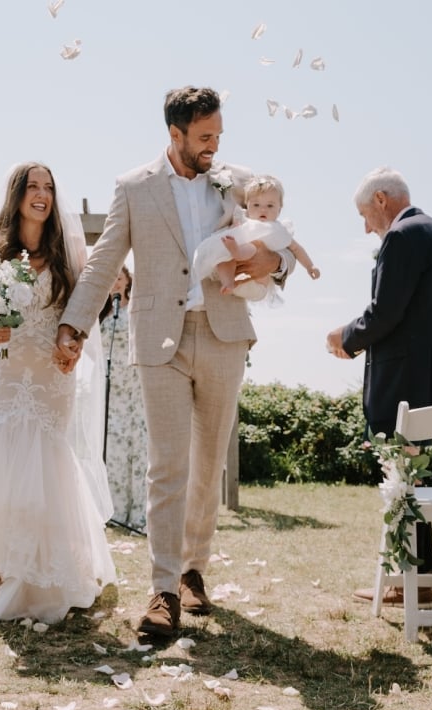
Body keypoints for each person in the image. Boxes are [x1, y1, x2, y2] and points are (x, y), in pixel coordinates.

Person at [54, 86, 296, 637]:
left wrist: (275, 264)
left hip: (224, 333)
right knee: (167, 465)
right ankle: (162, 589)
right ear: (175, 133)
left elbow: (278, 238)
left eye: (219, 135)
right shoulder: (134, 187)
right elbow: (104, 261)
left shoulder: (237, 181)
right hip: (159, 339)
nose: (214, 146)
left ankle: (193, 571)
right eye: (205, 137)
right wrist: (73, 324)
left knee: (208, 464)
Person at [0, 162, 116, 624]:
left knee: (48, 454)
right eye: (33, 186)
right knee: (5, 452)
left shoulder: (68, 250)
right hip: (8, 367)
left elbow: (84, 306)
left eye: (48, 187)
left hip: (52, 369)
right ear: (16, 196)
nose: (42, 194)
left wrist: (74, 343)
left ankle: (45, 570)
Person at [326, 167, 432, 607]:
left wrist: (345, 338)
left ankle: (409, 580)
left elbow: (385, 311)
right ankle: (423, 570)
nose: (365, 227)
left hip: (403, 381)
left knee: (401, 477)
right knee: (412, 475)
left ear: (381, 200)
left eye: (364, 215)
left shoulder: (402, 235)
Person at [192, 175, 319, 300]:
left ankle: (238, 252)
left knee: (254, 247)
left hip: (258, 282)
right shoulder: (244, 221)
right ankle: (228, 283)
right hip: (236, 277)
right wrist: (234, 230)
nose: (263, 210)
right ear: (247, 205)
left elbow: (297, 249)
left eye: (270, 206)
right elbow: (234, 231)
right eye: (256, 205)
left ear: (279, 209)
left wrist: (310, 266)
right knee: (223, 256)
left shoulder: (278, 230)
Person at [99, 266, 148, 531]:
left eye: (119, 277)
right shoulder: (101, 312)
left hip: (137, 386)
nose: (115, 283)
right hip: (112, 389)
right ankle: (115, 511)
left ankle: (140, 514)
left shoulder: (138, 308)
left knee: (140, 448)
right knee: (115, 449)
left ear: (128, 280)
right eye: (111, 279)